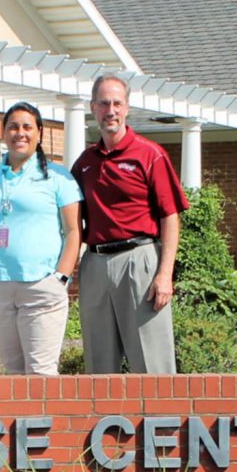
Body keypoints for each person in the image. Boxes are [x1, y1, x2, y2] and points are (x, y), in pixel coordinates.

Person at [71, 74, 189, 374]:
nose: (110, 110)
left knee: (152, 363)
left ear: (127, 108)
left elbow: (170, 216)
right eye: (103, 103)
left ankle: (162, 421)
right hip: (95, 262)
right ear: (93, 108)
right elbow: (70, 220)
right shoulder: (85, 162)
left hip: (139, 261)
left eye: (116, 103)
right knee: (99, 363)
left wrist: (165, 274)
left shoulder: (150, 155)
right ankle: (106, 422)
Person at [0, 102, 83, 376]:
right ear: (3, 133)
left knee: (41, 373)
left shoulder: (59, 178)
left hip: (41, 285)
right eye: (12, 127)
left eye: (27, 127)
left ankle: (48, 421)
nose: (19, 133)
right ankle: (18, 422)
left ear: (40, 134)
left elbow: (73, 232)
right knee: (13, 372)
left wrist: (61, 279)